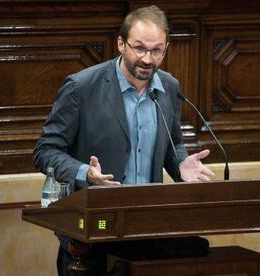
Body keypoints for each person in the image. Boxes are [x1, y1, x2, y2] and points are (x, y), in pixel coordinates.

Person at [33, 5, 215, 276]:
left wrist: (180, 166)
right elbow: (45, 151)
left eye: (156, 51)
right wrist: (86, 173)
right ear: (121, 43)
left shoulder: (169, 87)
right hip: (92, 231)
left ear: (165, 49)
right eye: (139, 48)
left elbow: (172, 143)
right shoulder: (81, 87)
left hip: (146, 232)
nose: (147, 59)